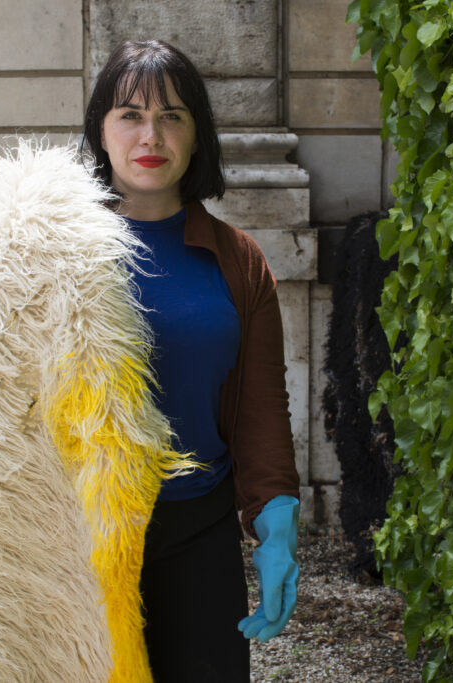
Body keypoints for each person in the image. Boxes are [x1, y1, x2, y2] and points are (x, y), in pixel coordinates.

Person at [82, 39, 301, 681]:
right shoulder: (51, 252)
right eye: (130, 114)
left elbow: (262, 406)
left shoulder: (238, 261)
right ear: (100, 132)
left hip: (197, 527)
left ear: (197, 135)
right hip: (81, 536)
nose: (151, 134)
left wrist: (276, 515)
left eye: (172, 115)